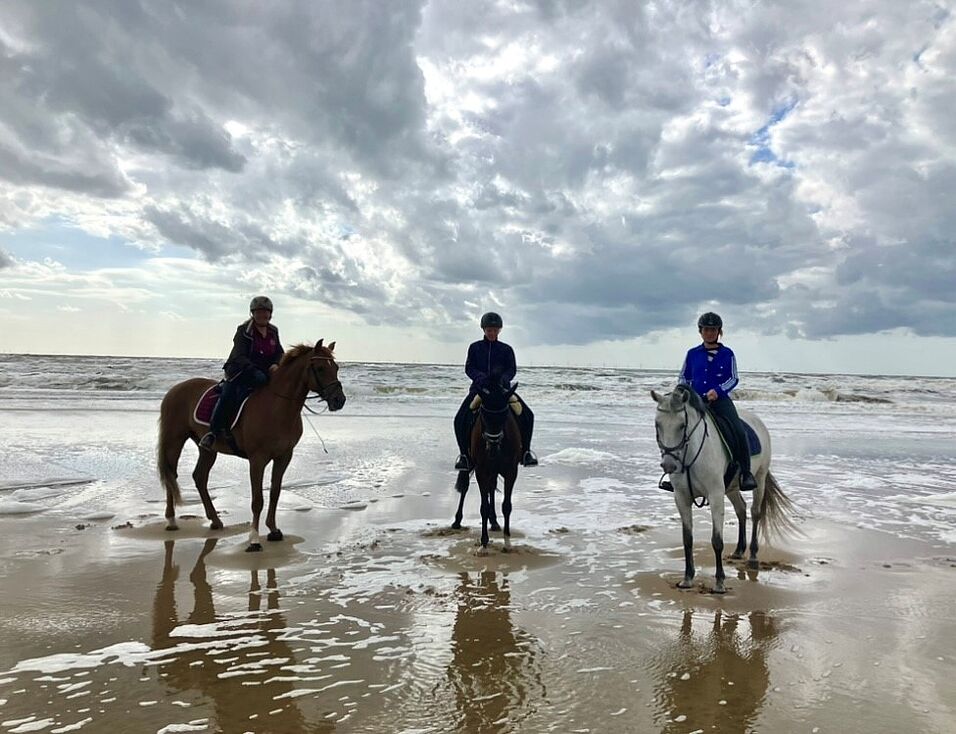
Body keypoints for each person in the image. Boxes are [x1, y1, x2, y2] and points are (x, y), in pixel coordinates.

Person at [677, 311, 757, 491]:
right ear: (700, 331)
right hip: (696, 401)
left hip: (720, 401)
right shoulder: (692, 354)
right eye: (706, 329)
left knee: (738, 430)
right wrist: (687, 392)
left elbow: (733, 378)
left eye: (713, 330)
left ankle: (745, 473)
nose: (710, 333)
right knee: (678, 430)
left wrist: (718, 391)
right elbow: (683, 377)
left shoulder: (727, 354)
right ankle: (675, 474)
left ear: (719, 332)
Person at [454, 312, 537, 470]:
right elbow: (469, 368)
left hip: (502, 391)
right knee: (460, 418)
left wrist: (503, 379)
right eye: (489, 330)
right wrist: (481, 378)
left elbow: (511, 369)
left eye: (495, 330)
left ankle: (526, 452)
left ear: (499, 330)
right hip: (481, 391)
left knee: (527, 414)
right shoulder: (475, 348)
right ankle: (464, 455)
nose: (492, 333)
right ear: (484, 330)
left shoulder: (506, 349)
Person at [198, 296, 284, 450]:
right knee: (227, 396)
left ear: (270, 314)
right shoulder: (243, 331)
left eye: (265, 312)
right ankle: (213, 433)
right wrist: (255, 370)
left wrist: (276, 364)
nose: (262, 315)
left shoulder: (273, 331)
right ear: (252, 314)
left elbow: (279, 352)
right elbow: (239, 355)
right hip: (240, 370)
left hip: (264, 372)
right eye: (258, 312)